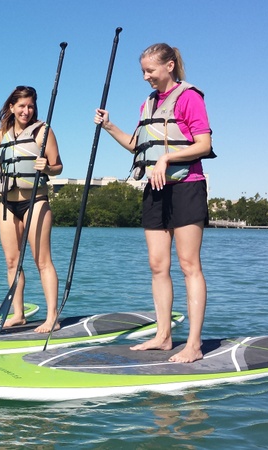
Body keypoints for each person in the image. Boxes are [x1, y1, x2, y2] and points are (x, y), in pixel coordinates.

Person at [94, 43, 214, 362]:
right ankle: (163, 336)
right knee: (158, 266)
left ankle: (194, 345)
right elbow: (136, 145)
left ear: (170, 66)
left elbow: (204, 144)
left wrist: (167, 159)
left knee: (189, 265)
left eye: (151, 70)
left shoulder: (189, 97)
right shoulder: (146, 104)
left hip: (187, 187)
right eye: (143, 72)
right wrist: (109, 126)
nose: (146, 77)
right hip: (155, 190)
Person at [0, 85, 63, 333]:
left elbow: (58, 166)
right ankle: (19, 314)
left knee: (42, 260)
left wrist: (47, 167)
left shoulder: (43, 131)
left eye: (30, 106)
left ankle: (52, 316)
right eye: (21, 106)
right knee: (12, 262)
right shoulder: (2, 132)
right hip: (7, 203)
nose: (26, 110)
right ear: (11, 107)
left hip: (35, 201)